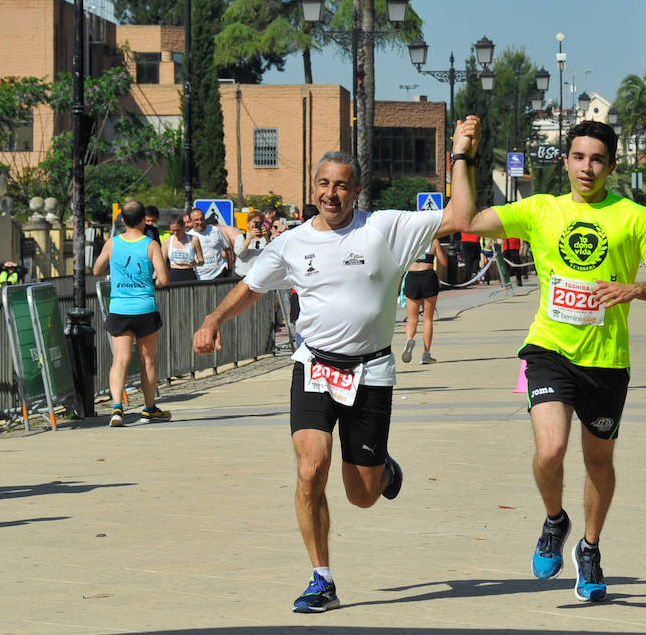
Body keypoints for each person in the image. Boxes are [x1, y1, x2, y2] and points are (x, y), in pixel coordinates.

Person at [193, 116, 481, 613]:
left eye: (341, 186)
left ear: (356, 192)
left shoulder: (384, 228)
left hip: (370, 371)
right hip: (314, 366)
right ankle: (321, 577)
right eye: (324, 184)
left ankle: (384, 472)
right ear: (315, 188)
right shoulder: (291, 242)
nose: (331, 194)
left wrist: (459, 152)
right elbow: (252, 287)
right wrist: (214, 318)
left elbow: (461, 214)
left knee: (362, 494)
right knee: (310, 470)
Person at [465, 120, 646, 603]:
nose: (587, 167)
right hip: (546, 350)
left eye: (597, 159)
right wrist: (464, 155)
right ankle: (554, 520)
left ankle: (589, 548)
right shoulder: (541, 209)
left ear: (610, 165)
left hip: (607, 361)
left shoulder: (635, 217)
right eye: (579, 157)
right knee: (550, 451)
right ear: (565, 161)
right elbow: (469, 220)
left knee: (598, 462)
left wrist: (635, 288)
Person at [93, 200, 170, 427]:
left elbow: (97, 270)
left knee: (120, 359)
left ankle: (117, 408)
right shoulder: (151, 244)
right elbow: (163, 279)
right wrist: (150, 280)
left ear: (123, 220)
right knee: (148, 360)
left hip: (119, 309)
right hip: (145, 308)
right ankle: (149, 408)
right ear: (144, 219)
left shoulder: (112, 243)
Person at [402, 238, 447, 365]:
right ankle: (426, 354)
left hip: (411, 276)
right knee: (427, 319)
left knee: (412, 319)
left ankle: (409, 339)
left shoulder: (409, 240)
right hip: (428, 276)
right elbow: (444, 263)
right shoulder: (433, 241)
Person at [189, 208, 232, 281]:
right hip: (199, 276)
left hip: (219, 273)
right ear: (191, 221)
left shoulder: (215, 230)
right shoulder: (189, 235)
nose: (200, 222)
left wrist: (229, 266)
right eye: (196, 220)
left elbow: (227, 249)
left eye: (202, 219)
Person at [163, 213, 202, 284]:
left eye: (178, 230)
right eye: (173, 230)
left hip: (189, 274)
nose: (175, 233)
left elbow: (201, 261)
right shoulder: (167, 241)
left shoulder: (194, 239)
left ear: (183, 227)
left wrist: (195, 262)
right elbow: (162, 262)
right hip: (173, 273)